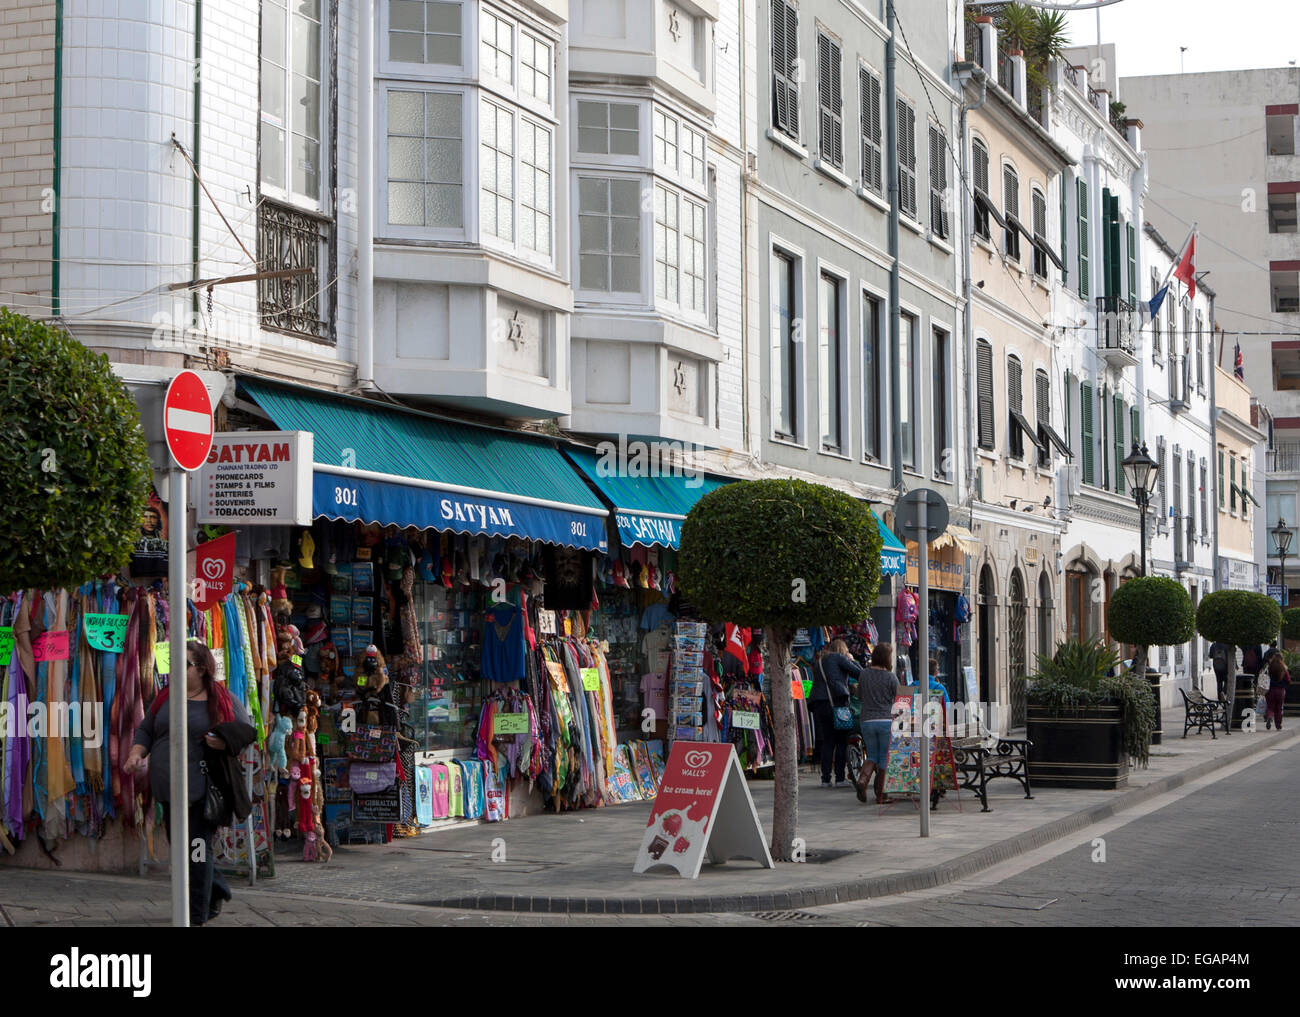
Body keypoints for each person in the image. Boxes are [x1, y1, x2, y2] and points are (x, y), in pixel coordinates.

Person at [125, 640, 254, 925]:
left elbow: (245, 732)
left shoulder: (220, 698)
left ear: (202, 668)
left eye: (183, 665)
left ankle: (195, 916)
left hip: (199, 792)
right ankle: (216, 888)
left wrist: (223, 742)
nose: (175, 670)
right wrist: (136, 754)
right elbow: (146, 729)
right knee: (186, 851)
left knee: (195, 852)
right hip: (168, 791)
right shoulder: (166, 697)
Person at [809, 638, 861, 789]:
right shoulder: (839, 658)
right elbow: (860, 673)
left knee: (828, 741)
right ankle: (839, 778)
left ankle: (825, 779)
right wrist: (852, 660)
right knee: (841, 741)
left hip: (819, 704)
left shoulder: (819, 661)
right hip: (837, 703)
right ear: (843, 650)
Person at [855, 643, 900, 805]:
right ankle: (882, 795)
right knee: (883, 758)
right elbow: (899, 699)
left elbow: (859, 696)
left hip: (867, 720)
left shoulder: (864, 674)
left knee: (872, 755)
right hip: (886, 721)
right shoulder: (891, 677)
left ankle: (862, 781)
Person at [1265, 654, 1291, 730]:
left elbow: (1265, 677)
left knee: (1270, 706)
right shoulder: (1283, 668)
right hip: (1280, 691)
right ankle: (1278, 726)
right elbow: (1288, 680)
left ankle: (1269, 716)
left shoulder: (1269, 667)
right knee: (1279, 709)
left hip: (1270, 690)